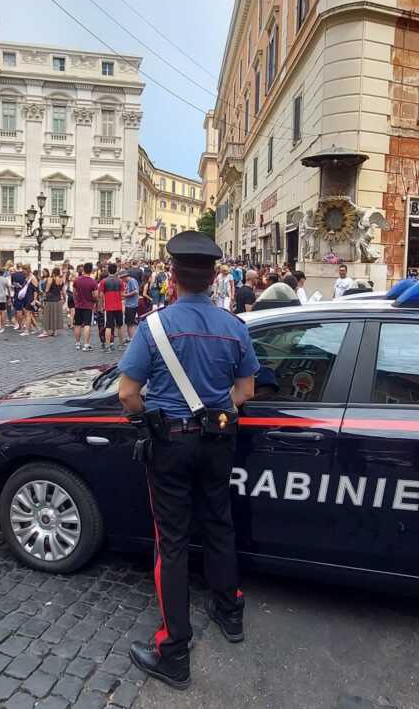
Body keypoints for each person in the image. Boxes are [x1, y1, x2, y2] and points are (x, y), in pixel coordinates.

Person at [118, 231, 259, 690]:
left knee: (172, 542)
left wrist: (150, 418)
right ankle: (229, 612)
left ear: (173, 276)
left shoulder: (154, 326)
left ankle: (174, 650)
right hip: (219, 438)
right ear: (215, 276)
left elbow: (127, 393)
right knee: (220, 524)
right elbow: (247, 392)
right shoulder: (235, 326)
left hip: (172, 442)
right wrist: (221, 413)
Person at [98, 263, 125, 351]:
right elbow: (122, 295)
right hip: (118, 306)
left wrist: (101, 306)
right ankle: (121, 344)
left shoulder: (104, 281)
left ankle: (108, 345)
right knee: (120, 325)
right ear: (116, 270)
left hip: (109, 307)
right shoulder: (120, 281)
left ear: (108, 270)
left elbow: (101, 295)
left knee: (108, 326)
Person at [72, 263, 99, 351]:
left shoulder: (77, 280)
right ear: (91, 270)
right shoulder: (93, 281)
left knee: (77, 324)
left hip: (78, 305)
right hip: (88, 305)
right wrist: (95, 301)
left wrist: (76, 301)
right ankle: (86, 344)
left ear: (83, 269)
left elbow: (74, 292)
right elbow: (95, 295)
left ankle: (77, 343)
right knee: (87, 325)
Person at [38, 267, 65, 338]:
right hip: (58, 300)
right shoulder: (61, 280)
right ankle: (54, 331)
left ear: (53, 272)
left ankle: (45, 332)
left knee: (47, 316)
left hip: (50, 300)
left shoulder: (50, 279)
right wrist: (64, 299)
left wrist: (43, 298)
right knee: (55, 316)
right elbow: (63, 291)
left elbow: (47, 290)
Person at [122, 269, 140, 343]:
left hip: (131, 305)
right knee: (129, 323)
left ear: (124, 277)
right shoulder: (130, 281)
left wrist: (125, 295)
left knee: (131, 323)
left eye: (122, 278)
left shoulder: (132, 281)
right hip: (130, 304)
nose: (122, 280)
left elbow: (136, 291)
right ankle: (130, 337)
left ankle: (132, 338)